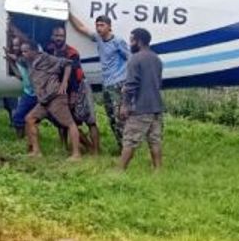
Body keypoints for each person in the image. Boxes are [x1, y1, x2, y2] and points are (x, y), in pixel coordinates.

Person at [70, 13, 131, 150]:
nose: (99, 28)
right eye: (97, 25)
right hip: (107, 84)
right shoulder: (98, 38)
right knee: (111, 118)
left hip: (118, 84)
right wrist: (69, 14)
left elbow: (130, 60)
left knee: (120, 118)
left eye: (102, 25)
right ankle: (121, 147)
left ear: (109, 27)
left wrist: (127, 83)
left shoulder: (118, 41)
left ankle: (127, 149)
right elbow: (81, 28)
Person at [20, 41, 84, 159]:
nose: (23, 54)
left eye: (26, 51)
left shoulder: (46, 58)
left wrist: (64, 82)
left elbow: (68, 63)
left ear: (34, 51)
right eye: (22, 51)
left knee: (69, 123)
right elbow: (18, 60)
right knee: (29, 119)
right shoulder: (30, 62)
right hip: (44, 100)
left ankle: (76, 154)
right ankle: (36, 151)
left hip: (55, 96)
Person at [44, 24, 99, 154]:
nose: (58, 38)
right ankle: (65, 147)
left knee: (90, 120)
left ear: (65, 37)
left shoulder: (72, 53)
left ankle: (95, 151)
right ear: (52, 36)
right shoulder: (49, 51)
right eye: (56, 35)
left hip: (79, 87)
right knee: (63, 120)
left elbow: (76, 75)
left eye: (61, 36)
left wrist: (74, 94)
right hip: (62, 89)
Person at [117, 28, 164, 171]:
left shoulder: (135, 59)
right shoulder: (157, 59)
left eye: (132, 40)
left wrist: (125, 105)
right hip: (156, 107)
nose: (130, 43)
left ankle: (119, 171)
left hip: (140, 108)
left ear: (139, 41)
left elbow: (131, 85)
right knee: (155, 140)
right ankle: (158, 170)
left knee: (130, 140)